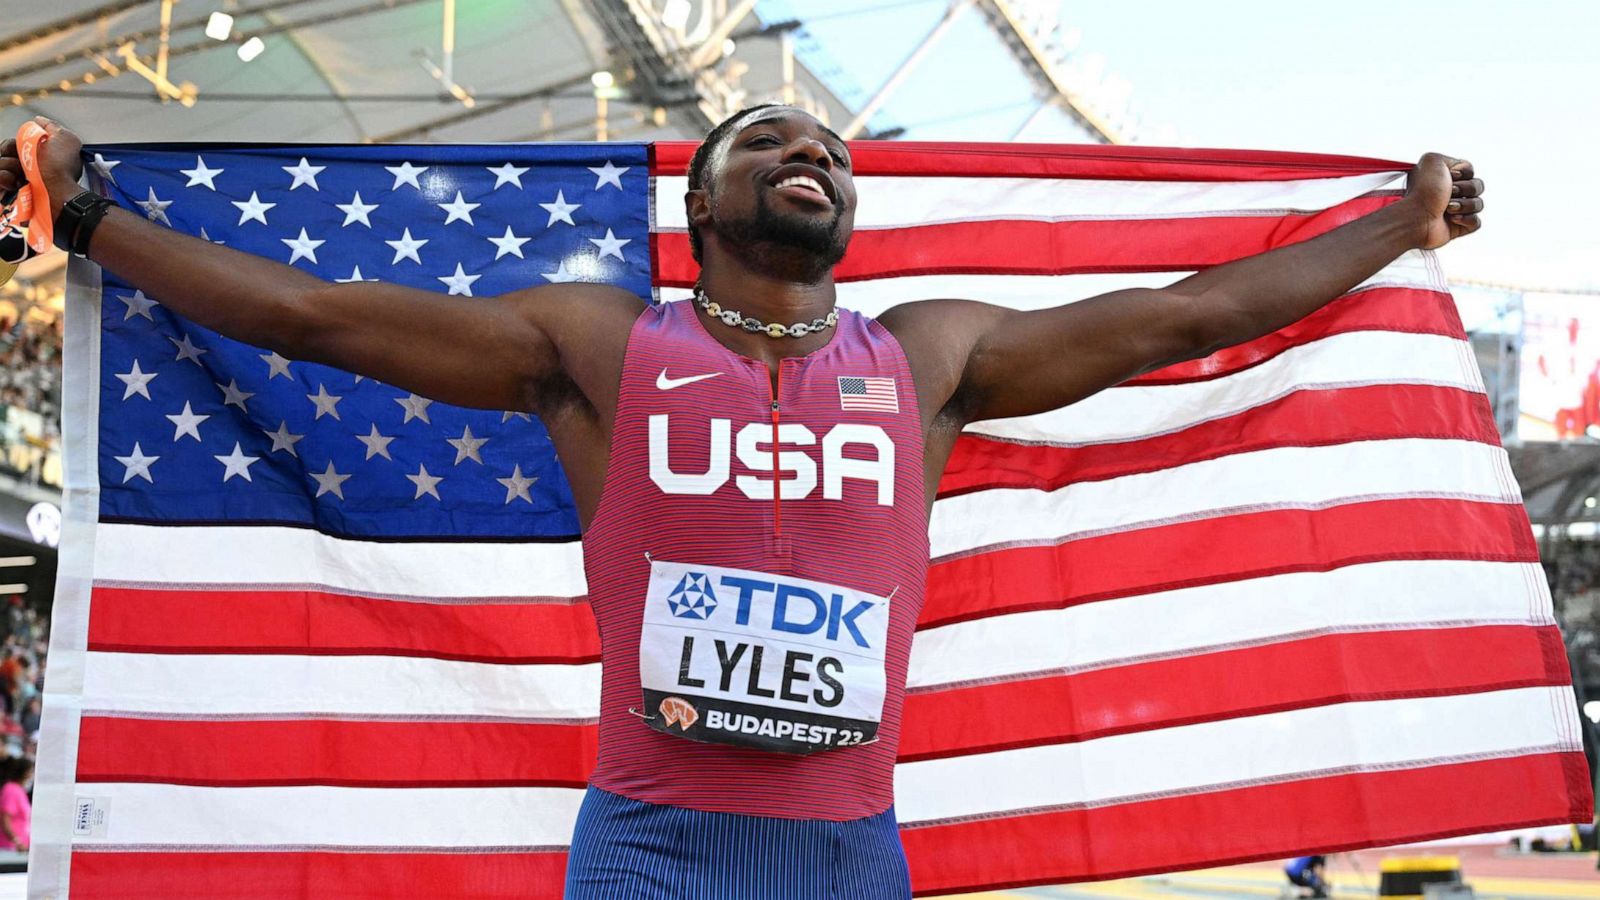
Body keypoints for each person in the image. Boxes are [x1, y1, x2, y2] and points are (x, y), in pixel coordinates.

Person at [0, 108, 1484, 899]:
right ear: (702, 209)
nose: (809, 156)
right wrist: (92, 217)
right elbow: (322, 317)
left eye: (829, 152)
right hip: (655, 850)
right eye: (768, 144)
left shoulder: (930, 359)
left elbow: (1183, 315)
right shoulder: (599, 348)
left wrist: (1395, 224)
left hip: (850, 856)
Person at [0, 755, 30, 854]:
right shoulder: (11, 789)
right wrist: (17, 841)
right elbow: (5, 820)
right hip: (9, 849)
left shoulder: (20, 790)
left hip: (20, 849)